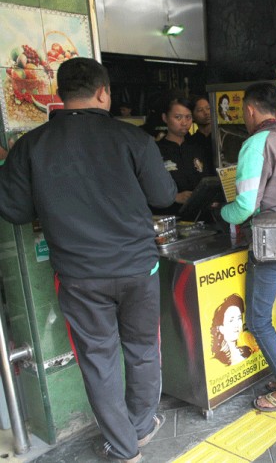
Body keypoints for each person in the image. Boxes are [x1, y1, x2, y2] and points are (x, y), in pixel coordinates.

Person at [0, 58, 177, 463]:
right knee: (144, 348)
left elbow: (14, 210)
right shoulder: (132, 140)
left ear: (61, 95)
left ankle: (123, 445)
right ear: (104, 93)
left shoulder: (32, 145)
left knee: (99, 360)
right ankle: (142, 425)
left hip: (80, 277)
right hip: (137, 269)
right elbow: (164, 196)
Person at [221, 82, 276, 412]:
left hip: (273, 242)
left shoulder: (255, 144)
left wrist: (222, 212)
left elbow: (245, 204)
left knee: (259, 321)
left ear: (250, 109)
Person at [156, 97, 209, 216]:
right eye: (178, 117)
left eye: (188, 117)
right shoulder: (156, 150)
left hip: (201, 217)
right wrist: (174, 197)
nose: (184, 122)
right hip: (171, 216)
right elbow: (149, 187)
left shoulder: (198, 147)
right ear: (165, 118)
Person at [211, 294, 253, 366]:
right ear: (221, 328)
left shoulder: (247, 351)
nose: (237, 324)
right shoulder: (217, 361)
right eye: (231, 320)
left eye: (239, 318)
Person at [188, 95, 215, 174]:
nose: (206, 113)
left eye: (208, 108)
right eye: (200, 110)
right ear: (192, 116)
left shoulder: (221, 137)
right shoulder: (190, 141)